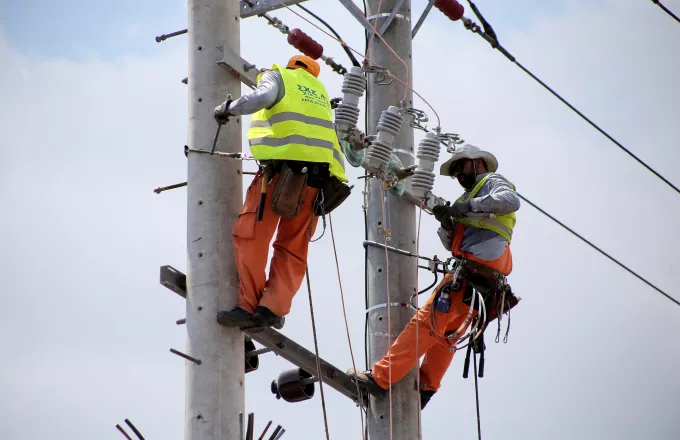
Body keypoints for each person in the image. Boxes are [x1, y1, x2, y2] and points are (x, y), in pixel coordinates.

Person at [350, 144, 520, 409]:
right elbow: (456, 242)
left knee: (426, 325)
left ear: (478, 163)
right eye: (455, 173)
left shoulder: (490, 182)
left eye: (460, 168)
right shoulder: (467, 200)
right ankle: (426, 389)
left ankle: (379, 378)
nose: (458, 175)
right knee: (447, 335)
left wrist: (465, 208)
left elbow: (511, 201)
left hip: (470, 280)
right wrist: (447, 222)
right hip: (479, 288)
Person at [215, 55, 349, 328]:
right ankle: (272, 309)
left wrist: (228, 108)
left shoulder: (278, 76)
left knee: (251, 235)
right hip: (316, 184)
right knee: (293, 247)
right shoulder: (321, 96)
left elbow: (260, 99)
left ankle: (249, 305)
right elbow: (333, 146)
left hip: (278, 177)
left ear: (292, 66)